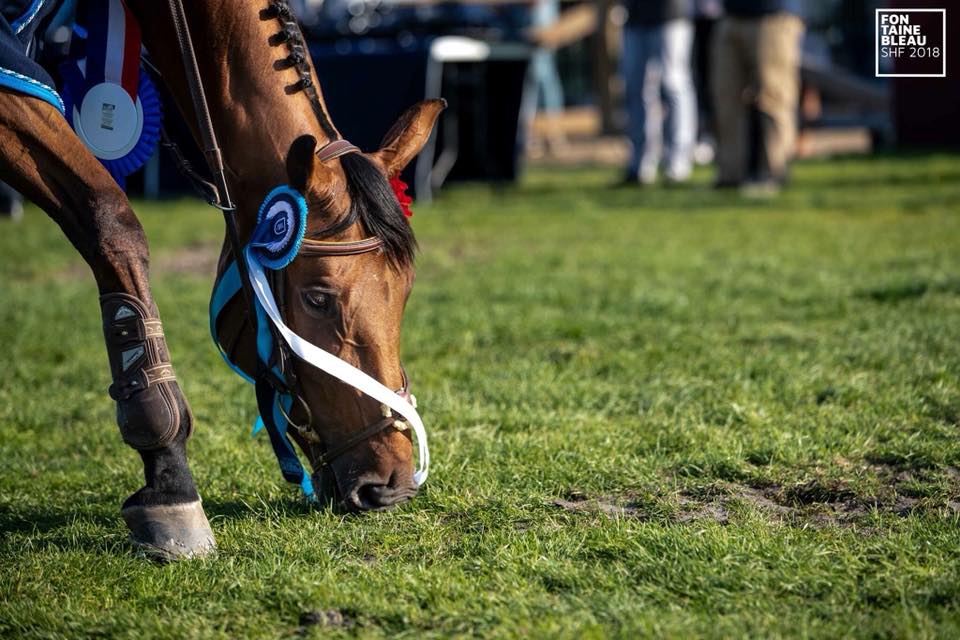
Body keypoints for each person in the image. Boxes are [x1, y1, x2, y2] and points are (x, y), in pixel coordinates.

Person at [711, 0, 805, 193]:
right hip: (730, 16)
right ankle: (730, 175)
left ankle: (774, 172)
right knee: (726, 99)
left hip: (772, 16)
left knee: (773, 100)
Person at [620, 0, 697, 186]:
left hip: (671, 14)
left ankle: (678, 164)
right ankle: (640, 165)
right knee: (636, 87)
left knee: (673, 85)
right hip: (635, 16)